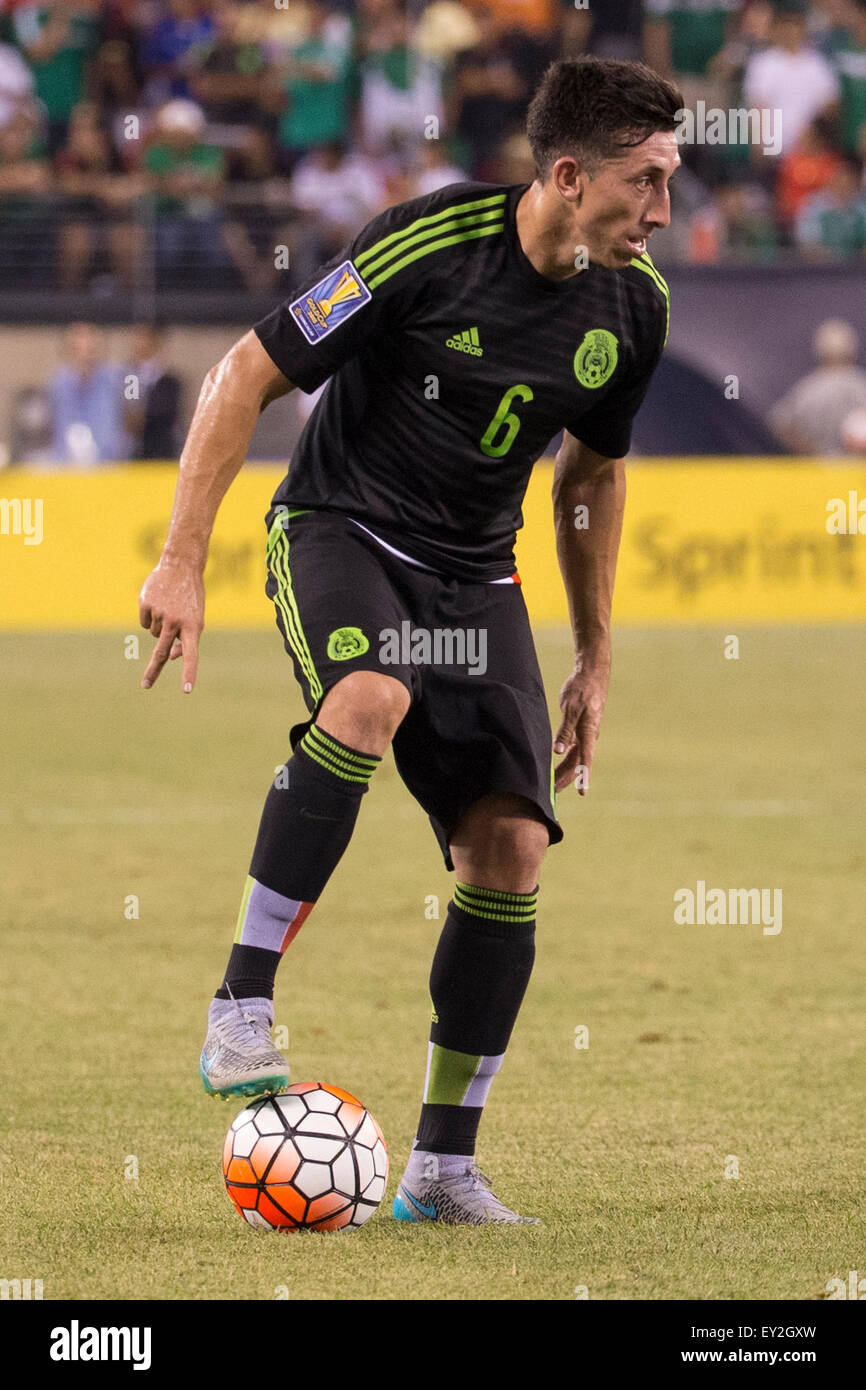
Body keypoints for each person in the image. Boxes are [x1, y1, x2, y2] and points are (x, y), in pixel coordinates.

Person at [138, 57, 679, 1225]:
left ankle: (439, 1167)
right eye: (644, 182)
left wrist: (593, 653)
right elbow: (243, 376)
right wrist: (181, 556)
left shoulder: (633, 305)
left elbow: (588, 476)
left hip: (477, 577)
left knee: (510, 848)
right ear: (569, 175)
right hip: (344, 530)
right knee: (370, 695)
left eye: (671, 180)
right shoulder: (421, 246)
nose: (663, 211)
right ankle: (240, 1003)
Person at [769, 317, 866, 453]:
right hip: (857, 469)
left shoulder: (807, 388)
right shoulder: (860, 384)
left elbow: (780, 424)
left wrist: (809, 451)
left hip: (818, 468)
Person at [49, 322, 129, 464]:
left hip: (108, 463)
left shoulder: (115, 377)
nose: (85, 346)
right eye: (80, 341)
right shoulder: (58, 382)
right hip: (66, 464)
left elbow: (132, 407)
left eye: (89, 341)